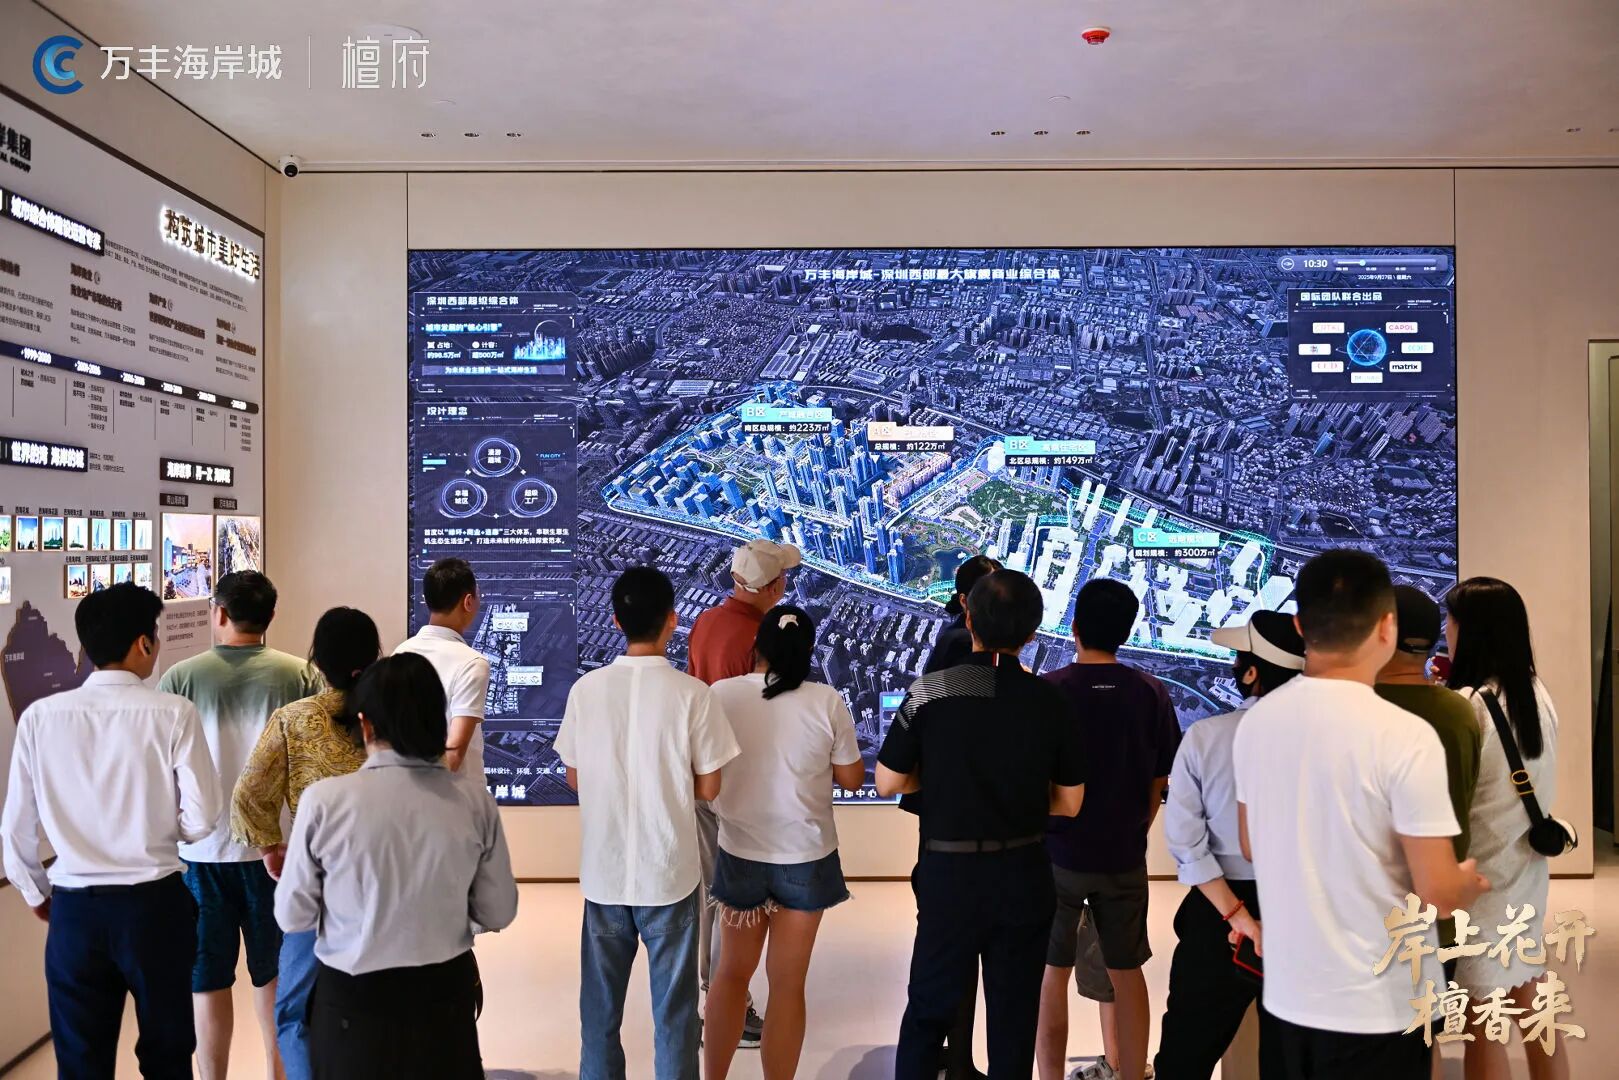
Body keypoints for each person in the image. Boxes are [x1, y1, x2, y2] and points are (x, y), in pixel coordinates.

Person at [1233, 551, 1488, 1079]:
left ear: (1299, 624)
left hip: (1290, 993)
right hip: (1382, 1002)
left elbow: (1251, 845)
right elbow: (1439, 892)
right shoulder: (1407, 736)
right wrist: (1467, 882)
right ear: (1386, 627)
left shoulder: (1257, 723)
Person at [1, 583, 222, 1079]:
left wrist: (38, 894)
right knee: (167, 1056)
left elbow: (15, 830)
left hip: (75, 909)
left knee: (81, 1062)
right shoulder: (173, 713)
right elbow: (204, 816)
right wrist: (163, 831)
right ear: (144, 643)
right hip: (155, 907)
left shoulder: (39, 718)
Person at [877, 569, 1087, 1079]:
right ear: (1032, 632)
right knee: (1013, 1022)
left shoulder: (931, 690)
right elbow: (1070, 803)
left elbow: (887, 781)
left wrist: (939, 783)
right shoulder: (1050, 699)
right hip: (1023, 871)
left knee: (928, 1010)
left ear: (968, 617)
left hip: (949, 873)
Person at [274, 652, 518, 1080]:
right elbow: (499, 911)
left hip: (352, 1004)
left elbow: (293, 915)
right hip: (443, 999)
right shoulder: (473, 801)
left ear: (365, 724)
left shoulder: (324, 801)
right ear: (438, 721)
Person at [557, 566, 741, 1080]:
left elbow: (574, 777)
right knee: (675, 1017)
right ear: (672, 620)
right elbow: (710, 787)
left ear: (616, 621)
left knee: (599, 1014)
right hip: (669, 872)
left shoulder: (586, 690)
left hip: (605, 873)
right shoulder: (693, 695)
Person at [158, 571, 320, 1080]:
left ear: (220, 613)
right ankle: (277, 1073)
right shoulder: (300, 676)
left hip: (200, 853)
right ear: (270, 616)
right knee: (275, 975)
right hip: (279, 851)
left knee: (207, 977)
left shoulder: (181, 677)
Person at [704, 605, 865, 1080]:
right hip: (806, 858)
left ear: (757, 646)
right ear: (808, 651)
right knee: (788, 984)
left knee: (731, 975)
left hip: (739, 852)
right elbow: (852, 778)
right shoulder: (826, 700)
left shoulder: (720, 694)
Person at [230, 607, 383, 1080]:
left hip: (316, 885)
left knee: (294, 1011)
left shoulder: (293, 719)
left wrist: (271, 848)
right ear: (375, 657)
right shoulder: (392, 717)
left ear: (317, 661)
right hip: (389, 883)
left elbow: (249, 794)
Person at [1037, 578, 1178, 1080]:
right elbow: (1159, 782)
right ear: (1127, 632)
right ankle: (1131, 1073)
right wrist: (1138, 830)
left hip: (1056, 854)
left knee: (1050, 974)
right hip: (1123, 854)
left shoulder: (1049, 690)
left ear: (1074, 627)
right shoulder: (1151, 692)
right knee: (1126, 970)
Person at [1155, 610, 1305, 1080]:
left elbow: (1186, 839)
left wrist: (1239, 919)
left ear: (1252, 673)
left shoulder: (1206, 738)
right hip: (1302, 911)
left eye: (1240, 659)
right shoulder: (1325, 741)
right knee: (1293, 1059)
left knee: (1185, 1055)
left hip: (1218, 912)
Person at [1444, 577, 1564, 1080]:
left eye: (1451, 621)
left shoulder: (1472, 705)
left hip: (1482, 878)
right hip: (1524, 871)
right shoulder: (1536, 693)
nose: (1446, 632)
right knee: (1528, 993)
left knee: (1482, 1017)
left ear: (1472, 631)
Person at [687, 538, 801, 1046]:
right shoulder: (762, 637)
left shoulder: (705, 622)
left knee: (709, 893)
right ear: (773, 587)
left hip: (703, 775)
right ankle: (729, 1004)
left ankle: (707, 997)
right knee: (740, 901)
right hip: (741, 781)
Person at [1375, 583, 1484, 1029]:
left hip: (1366, 912)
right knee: (1425, 1034)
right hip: (1438, 910)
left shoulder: (1358, 709)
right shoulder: (1458, 711)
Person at [915, 553, 1001, 1080]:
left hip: (947, 812)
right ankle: (957, 1056)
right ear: (968, 600)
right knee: (957, 944)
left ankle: (948, 1053)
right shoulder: (959, 643)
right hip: (959, 815)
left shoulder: (957, 637)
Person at [394, 557, 490, 778]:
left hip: (406, 787)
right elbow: (453, 755)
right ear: (468, 601)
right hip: (456, 793)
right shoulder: (473, 663)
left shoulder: (401, 652)